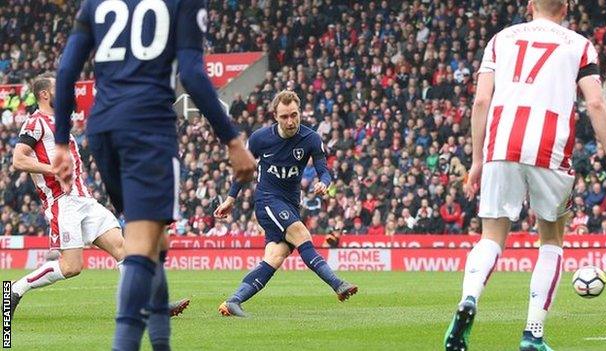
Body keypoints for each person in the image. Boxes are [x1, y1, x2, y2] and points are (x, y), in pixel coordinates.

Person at [52, 1, 256, 350]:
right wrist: (233, 139)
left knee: (155, 242)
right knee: (143, 246)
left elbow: (66, 70)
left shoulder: (95, 3)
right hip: (148, 130)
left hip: (102, 131)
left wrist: (60, 141)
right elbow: (191, 75)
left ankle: (162, 344)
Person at [444, 1, 606, 350]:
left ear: (530, 6)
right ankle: (532, 335)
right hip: (550, 146)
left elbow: (481, 101)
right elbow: (597, 103)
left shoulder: (500, 39)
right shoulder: (578, 44)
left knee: (491, 236)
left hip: (500, 144)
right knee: (551, 240)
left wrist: (477, 160)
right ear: (566, 7)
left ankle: (469, 299)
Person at [10, 74, 190, 319]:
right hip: (63, 202)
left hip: (85, 199)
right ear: (44, 94)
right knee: (71, 267)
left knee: (125, 250)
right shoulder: (36, 122)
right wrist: (53, 169)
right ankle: (16, 289)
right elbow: (19, 159)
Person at [214, 90, 357, 317]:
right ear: (275, 116)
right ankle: (337, 284)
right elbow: (244, 170)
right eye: (284, 117)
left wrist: (324, 183)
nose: (290, 121)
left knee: (275, 256)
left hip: (290, 204)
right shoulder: (260, 139)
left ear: (300, 112)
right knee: (301, 234)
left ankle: (233, 301)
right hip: (267, 201)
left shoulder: (311, 139)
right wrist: (231, 198)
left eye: (294, 115)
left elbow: (323, 169)